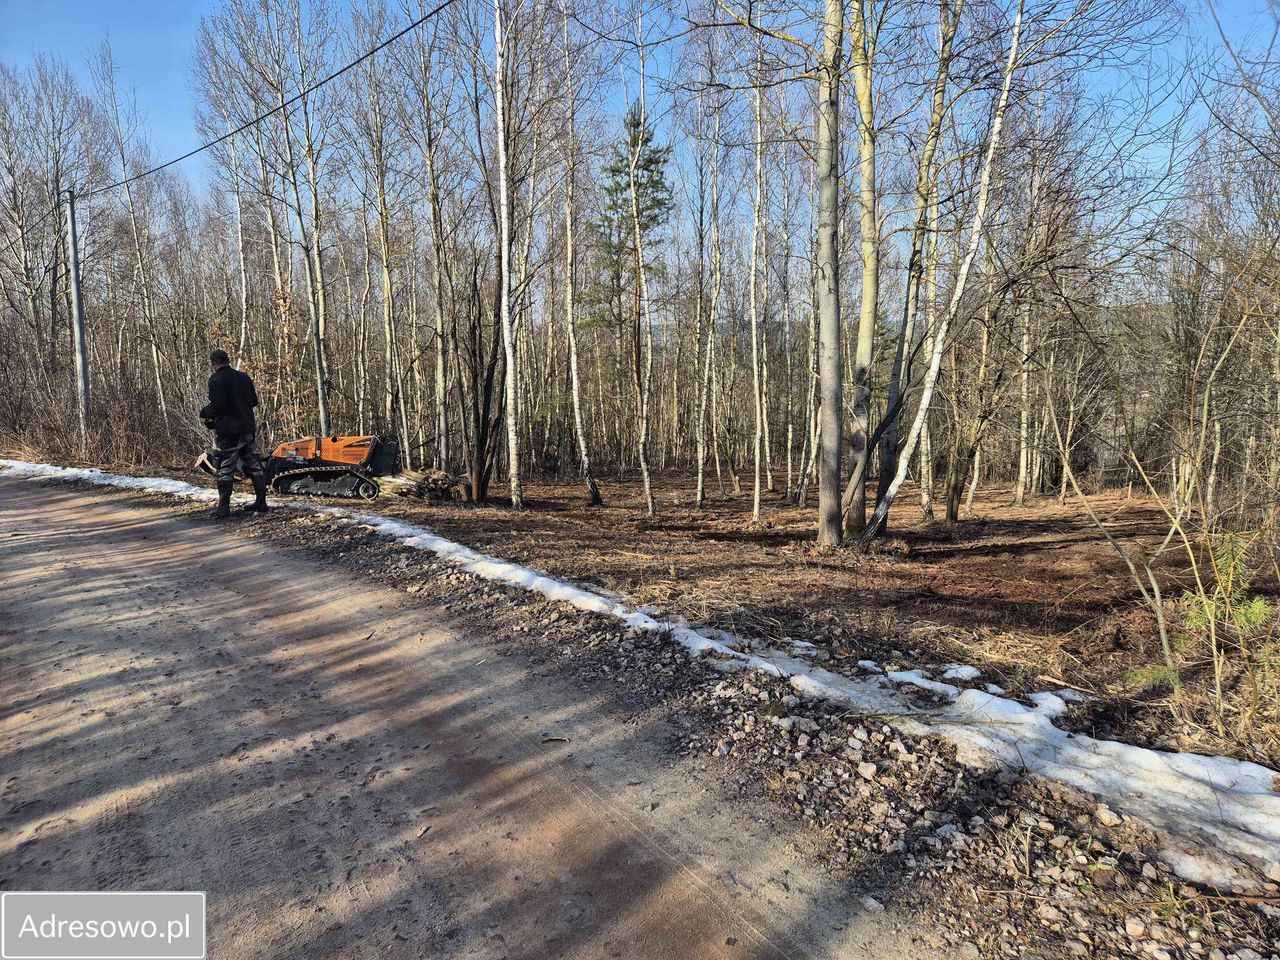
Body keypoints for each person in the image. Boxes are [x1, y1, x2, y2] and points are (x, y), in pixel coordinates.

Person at [200, 348, 268, 518]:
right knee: (254, 465)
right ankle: (261, 502)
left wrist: (204, 412)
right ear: (228, 360)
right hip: (247, 428)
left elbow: (218, 406)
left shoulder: (216, 379)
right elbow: (254, 401)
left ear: (213, 363)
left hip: (228, 431)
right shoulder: (243, 377)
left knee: (225, 467)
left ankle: (223, 508)